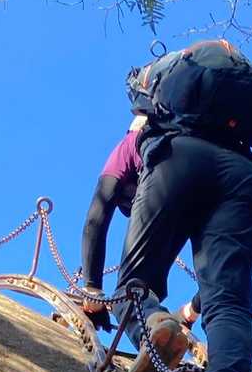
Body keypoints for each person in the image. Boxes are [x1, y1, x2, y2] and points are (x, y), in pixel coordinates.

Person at [113, 39, 252, 372]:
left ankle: (154, 328)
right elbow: (218, 287)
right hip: (247, 176)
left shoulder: (147, 109)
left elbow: (99, 209)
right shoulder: (236, 95)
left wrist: (94, 288)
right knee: (230, 299)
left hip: (178, 157)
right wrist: (191, 310)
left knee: (133, 285)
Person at [77, 116, 201, 335]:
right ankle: (180, 315)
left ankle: (151, 333)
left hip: (166, 176)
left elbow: (96, 219)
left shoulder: (130, 143)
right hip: (203, 175)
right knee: (153, 283)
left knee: (129, 290)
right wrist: (192, 311)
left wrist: (92, 287)